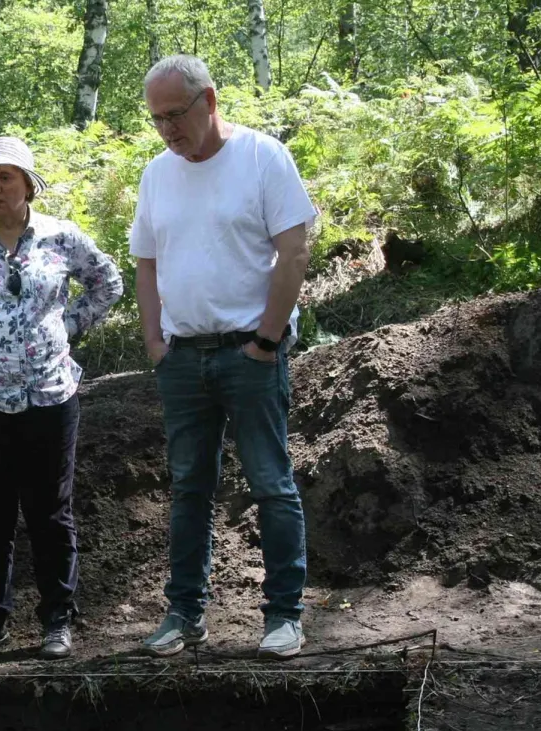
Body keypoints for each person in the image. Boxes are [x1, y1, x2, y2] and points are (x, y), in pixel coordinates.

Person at [129, 55, 317, 660]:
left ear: (209, 100)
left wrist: (265, 342)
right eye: (157, 120)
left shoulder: (263, 157)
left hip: (250, 354)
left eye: (176, 115)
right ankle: (184, 613)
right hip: (182, 358)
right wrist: (156, 343)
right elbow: (147, 263)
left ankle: (284, 617)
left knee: (270, 483)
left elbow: (294, 253)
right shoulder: (157, 174)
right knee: (188, 487)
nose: (167, 130)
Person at [0, 135, 124, 660]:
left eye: (5, 177)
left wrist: (67, 327)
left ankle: (58, 621)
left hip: (50, 398)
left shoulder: (61, 239)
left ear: (28, 184)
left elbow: (108, 282)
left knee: (50, 513)